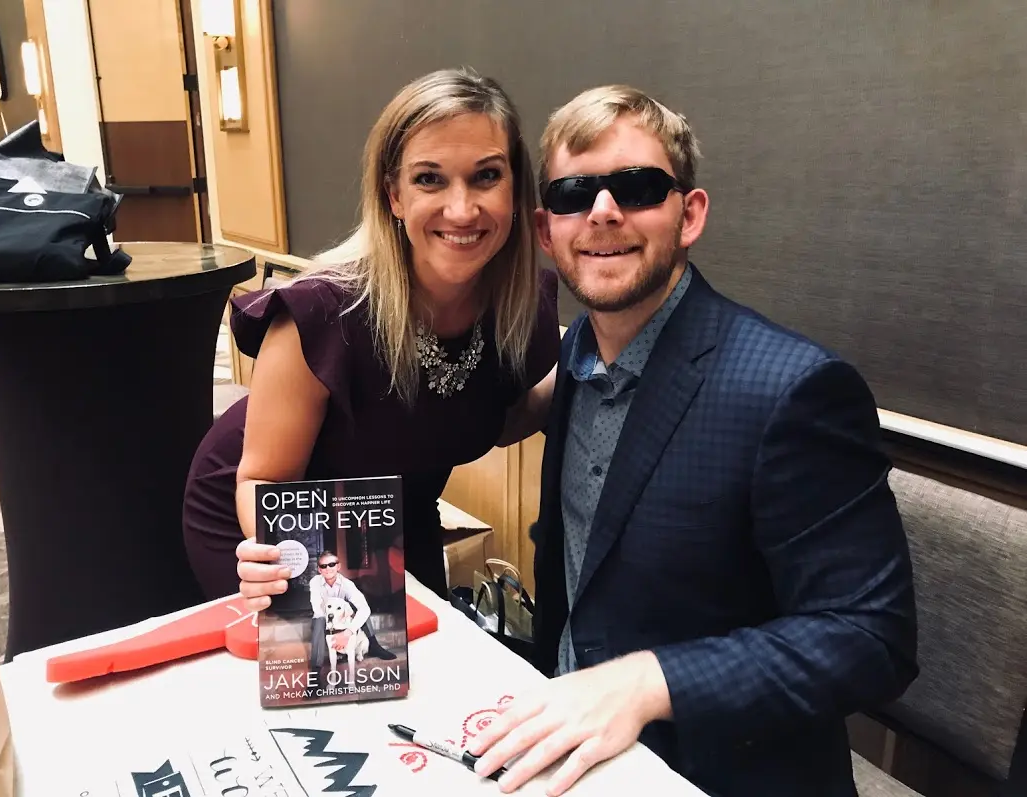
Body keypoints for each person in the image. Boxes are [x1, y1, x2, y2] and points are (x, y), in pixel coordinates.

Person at [468, 86, 918, 797]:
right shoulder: (582, 348)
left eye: (638, 186)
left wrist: (651, 680)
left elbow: (871, 637)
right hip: (569, 745)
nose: (603, 211)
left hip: (716, 770)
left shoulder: (793, 389)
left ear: (689, 214)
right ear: (545, 228)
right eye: (573, 192)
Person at [181, 67, 561, 606]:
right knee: (333, 670)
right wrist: (293, 568)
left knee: (429, 669)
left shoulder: (521, 310)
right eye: (430, 179)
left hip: (404, 514)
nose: (462, 208)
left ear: (515, 189)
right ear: (394, 197)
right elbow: (264, 481)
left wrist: (588, 369)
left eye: (486, 176)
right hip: (264, 519)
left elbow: (492, 419)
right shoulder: (322, 315)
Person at [307, 550, 396, 671]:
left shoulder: (347, 584)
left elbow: (364, 609)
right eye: (323, 566)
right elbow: (317, 608)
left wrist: (347, 631)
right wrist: (334, 628)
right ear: (319, 570)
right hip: (327, 618)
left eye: (332, 564)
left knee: (359, 607)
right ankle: (316, 671)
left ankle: (373, 645)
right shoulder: (315, 582)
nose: (328, 568)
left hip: (343, 617)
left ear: (338, 566)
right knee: (318, 620)